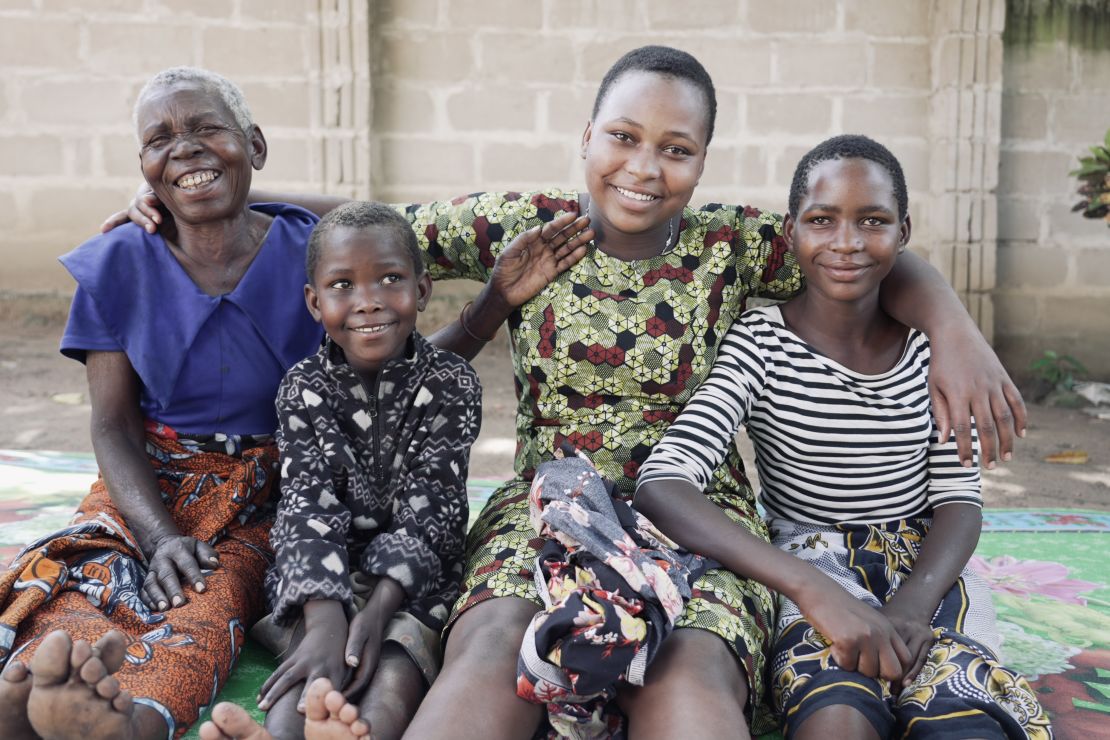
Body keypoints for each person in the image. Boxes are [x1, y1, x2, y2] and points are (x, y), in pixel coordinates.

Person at [108, 46, 1028, 739]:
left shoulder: (731, 242)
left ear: (703, 161)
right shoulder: (521, 227)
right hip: (546, 501)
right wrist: (218, 199)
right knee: (491, 647)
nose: (642, 167)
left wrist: (953, 328)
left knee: (694, 673)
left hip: (698, 511)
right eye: (622, 138)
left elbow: (869, 248)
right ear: (585, 137)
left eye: (676, 148)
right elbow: (365, 228)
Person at [635, 135, 1051, 739]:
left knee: (960, 718)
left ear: (903, 231)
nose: (847, 243)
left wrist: (912, 606)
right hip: (808, 566)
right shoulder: (761, 342)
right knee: (835, 717)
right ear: (791, 232)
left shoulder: (933, 354)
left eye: (873, 221)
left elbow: (959, 500)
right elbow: (663, 482)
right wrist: (811, 590)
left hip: (927, 571)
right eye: (822, 220)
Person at [0, 67, 324, 740]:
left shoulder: (311, 248)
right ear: (144, 169)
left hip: (264, 495)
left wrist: (214, 187)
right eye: (160, 140)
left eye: (207, 129)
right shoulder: (118, 261)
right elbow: (112, 422)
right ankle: (32, 699)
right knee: (84, 579)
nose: (183, 148)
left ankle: (127, 723)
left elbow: (385, 220)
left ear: (255, 146)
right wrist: (158, 534)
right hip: (146, 481)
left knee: (206, 605)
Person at [220, 200, 485, 740]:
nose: (367, 302)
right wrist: (325, 615)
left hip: (417, 582)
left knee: (391, 674)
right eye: (342, 286)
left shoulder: (453, 383)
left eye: (390, 278)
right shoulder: (301, 388)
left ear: (423, 289)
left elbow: (434, 509)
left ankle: (355, 733)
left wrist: (376, 609)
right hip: (323, 574)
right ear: (315, 303)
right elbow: (304, 505)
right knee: (309, 677)